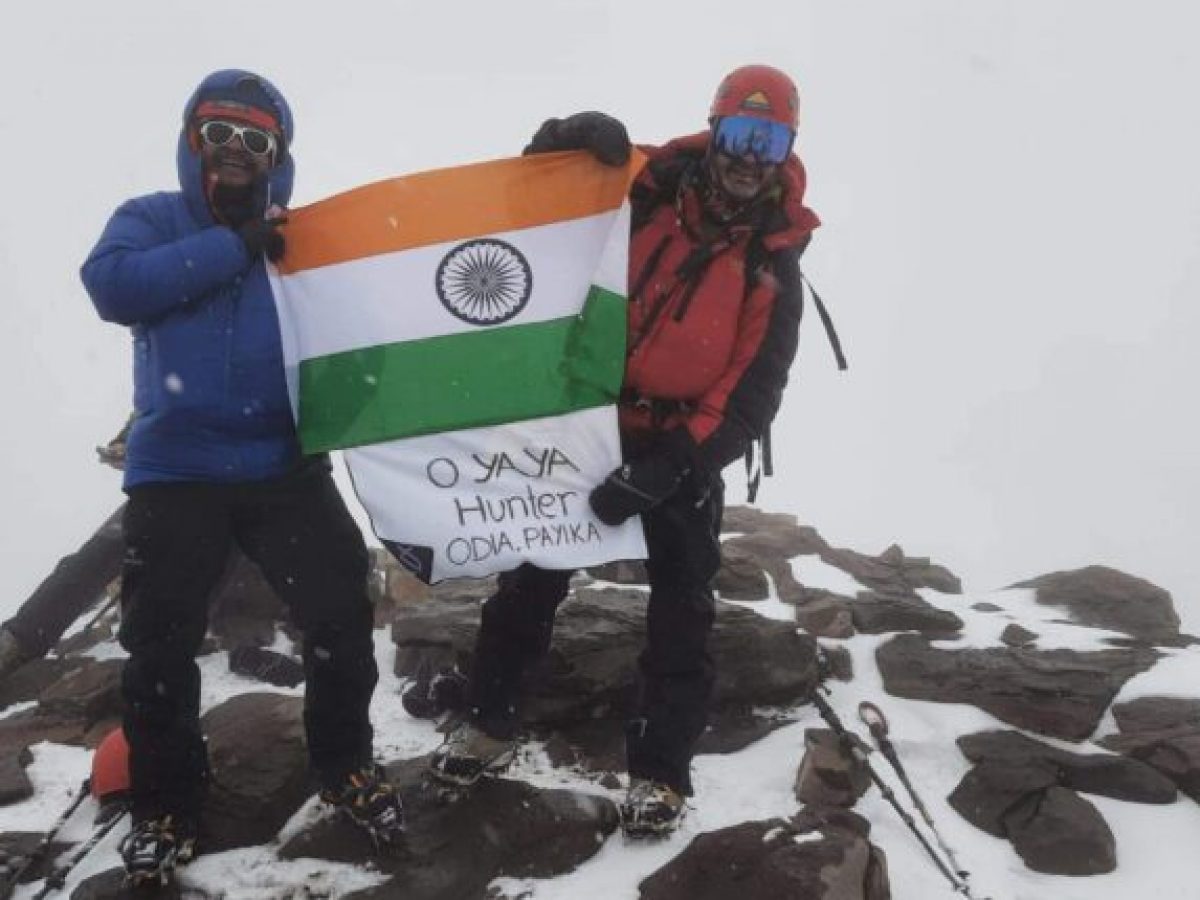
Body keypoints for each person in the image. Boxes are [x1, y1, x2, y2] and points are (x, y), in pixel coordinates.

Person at [429, 65, 828, 837]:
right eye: (741, 134)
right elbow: (534, 200)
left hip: (682, 445)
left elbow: (749, 396)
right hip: (587, 423)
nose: (751, 156)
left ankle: (660, 775)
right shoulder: (641, 184)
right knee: (530, 580)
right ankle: (486, 721)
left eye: (769, 140)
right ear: (714, 129)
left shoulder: (772, 261)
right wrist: (563, 139)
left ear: (786, 150)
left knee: (683, 610)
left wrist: (669, 466)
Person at [80, 69, 402, 883]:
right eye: (218, 134)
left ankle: (344, 764)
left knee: (339, 613)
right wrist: (235, 247)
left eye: (255, 141)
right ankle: (165, 807)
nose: (234, 153)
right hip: (176, 470)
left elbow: (362, 344)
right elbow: (112, 287)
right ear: (195, 143)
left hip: (282, 464)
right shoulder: (151, 219)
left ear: (276, 157)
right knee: (159, 647)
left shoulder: (309, 236)